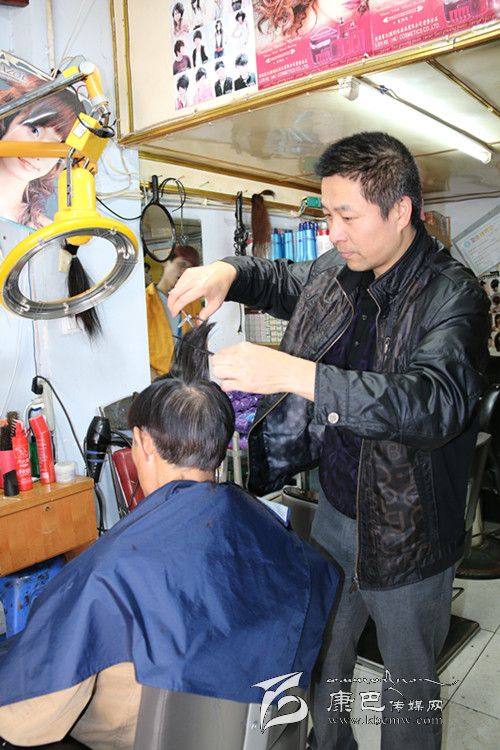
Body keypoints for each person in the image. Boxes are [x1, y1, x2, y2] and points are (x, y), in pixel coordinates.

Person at [168, 131, 490, 749]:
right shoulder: (337, 270)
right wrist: (227, 271)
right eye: (327, 215)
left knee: (408, 694)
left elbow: (431, 404)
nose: (333, 233)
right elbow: (278, 279)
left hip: (410, 534)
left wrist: (298, 375)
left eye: (347, 216)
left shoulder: (455, 296)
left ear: (401, 211)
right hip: (336, 514)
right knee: (322, 657)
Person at [0, 324, 339, 750]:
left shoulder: (109, 575)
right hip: (258, 733)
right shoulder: (285, 545)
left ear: (142, 442)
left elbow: (31, 717)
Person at [0, 80, 83, 229]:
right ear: (8, 120)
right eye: (35, 131)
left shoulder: (44, 230)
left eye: (55, 146)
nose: (38, 153)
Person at [145, 244, 203, 377]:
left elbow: (199, 342)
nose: (185, 272)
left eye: (190, 269)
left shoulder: (192, 302)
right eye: (182, 264)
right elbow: (134, 348)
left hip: (186, 378)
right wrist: (154, 379)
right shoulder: (145, 301)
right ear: (166, 262)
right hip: (155, 380)